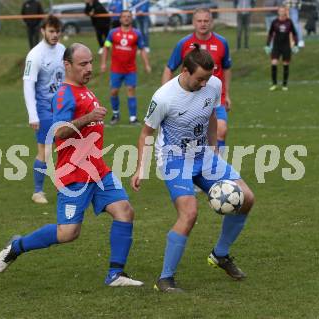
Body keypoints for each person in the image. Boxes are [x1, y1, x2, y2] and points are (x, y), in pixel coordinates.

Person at [0, 43, 144, 288]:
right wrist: (89, 118)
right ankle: (17, 246)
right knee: (68, 233)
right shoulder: (65, 93)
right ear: (67, 65)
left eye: (90, 63)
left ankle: (116, 275)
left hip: (97, 170)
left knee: (125, 211)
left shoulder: (84, 90)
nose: (89, 68)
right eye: (83, 64)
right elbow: (59, 132)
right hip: (74, 174)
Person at [131, 44, 255, 292]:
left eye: (207, 78)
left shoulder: (214, 84)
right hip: (174, 160)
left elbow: (210, 114)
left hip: (203, 155)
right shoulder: (164, 97)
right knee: (189, 214)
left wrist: (214, 147)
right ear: (185, 70)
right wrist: (139, 168)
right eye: (199, 79)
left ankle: (220, 255)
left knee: (247, 199)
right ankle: (165, 279)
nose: (204, 84)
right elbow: (146, 133)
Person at [161, 8, 231, 150]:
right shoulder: (184, 43)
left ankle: (218, 166)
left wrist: (227, 94)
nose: (203, 24)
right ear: (193, 22)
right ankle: (192, 166)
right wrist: (165, 94)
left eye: (206, 20)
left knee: (221, 130)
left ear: (211, 22)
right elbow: (169, 68)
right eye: (199, 21)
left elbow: (227, 68)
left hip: (216, 97)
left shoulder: (222, 42)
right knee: (191, 136)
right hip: (189, 98)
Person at [23, 15, 66, 204]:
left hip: (62, 107)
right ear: (43, 31)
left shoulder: (63, 50)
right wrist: (33, 115)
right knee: (46, 150)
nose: (55, 35)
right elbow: (28, 85)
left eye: (57, 31)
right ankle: (38, 192)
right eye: (51, 31)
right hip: (44, 109)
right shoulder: (35, 55)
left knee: (67, 147)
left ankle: (65, 185)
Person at [100, 10, 151, 125]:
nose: (126, 18)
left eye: (128, 16)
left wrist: (146, 64)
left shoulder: (136, 34)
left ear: (131, 18)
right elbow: (106, 47)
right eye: (124, 16)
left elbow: (142, 49)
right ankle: (116, 114)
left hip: (130, 70)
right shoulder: (113, 33)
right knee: (114, 92)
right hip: (116, 69)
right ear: (120, 19)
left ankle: (133, 118)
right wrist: (103, 63)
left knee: (131, 91)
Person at [265, 6, 299, 91]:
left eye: (283, 11)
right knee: (274, 63)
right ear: (278, 12)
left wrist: (295, 45)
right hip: (276, 46)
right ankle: (274, 84)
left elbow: (294, 34)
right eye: (280, 11)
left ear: (285, 12)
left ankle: (284, 84)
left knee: (286, 64)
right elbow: (270, 34)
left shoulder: (289, 22)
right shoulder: (274, 22)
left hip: (286, 46)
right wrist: (267, 45)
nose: (282, 12)